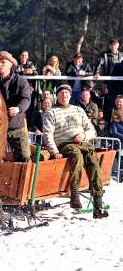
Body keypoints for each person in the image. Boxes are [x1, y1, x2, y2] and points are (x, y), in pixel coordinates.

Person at [43, 84, 108, 218]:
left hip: (83, 143)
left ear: (71, 95)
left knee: (94, 163)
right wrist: (55, 152)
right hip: (65, 144)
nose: (64, 95)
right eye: (61, 93)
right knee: (76, 156)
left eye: (67, 93)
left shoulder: (78, 110)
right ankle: (74, 193)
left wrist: (83, 135)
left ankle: (98, 206)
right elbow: (48, 135)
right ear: (57, 96)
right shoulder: (51, 112)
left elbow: (91, 129)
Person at [0, 50, 32, 162]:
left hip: (16, 126)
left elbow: (26, 99)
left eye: (3, 62)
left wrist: (18, 109)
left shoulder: (21, 81)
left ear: (11, 64)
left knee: (25, 157)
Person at [94, 39, 123, 119]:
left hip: (121, 83)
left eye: (115, 44)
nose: (114, 46)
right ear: (110, 46)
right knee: (110, 103)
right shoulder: (105, 55)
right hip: (110, 82)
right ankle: (109, 122)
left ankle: (120, 121)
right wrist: (96, 72)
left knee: (120, 103)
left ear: (118, 45)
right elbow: (100, 63)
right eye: (112, 45)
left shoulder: (121, 55)